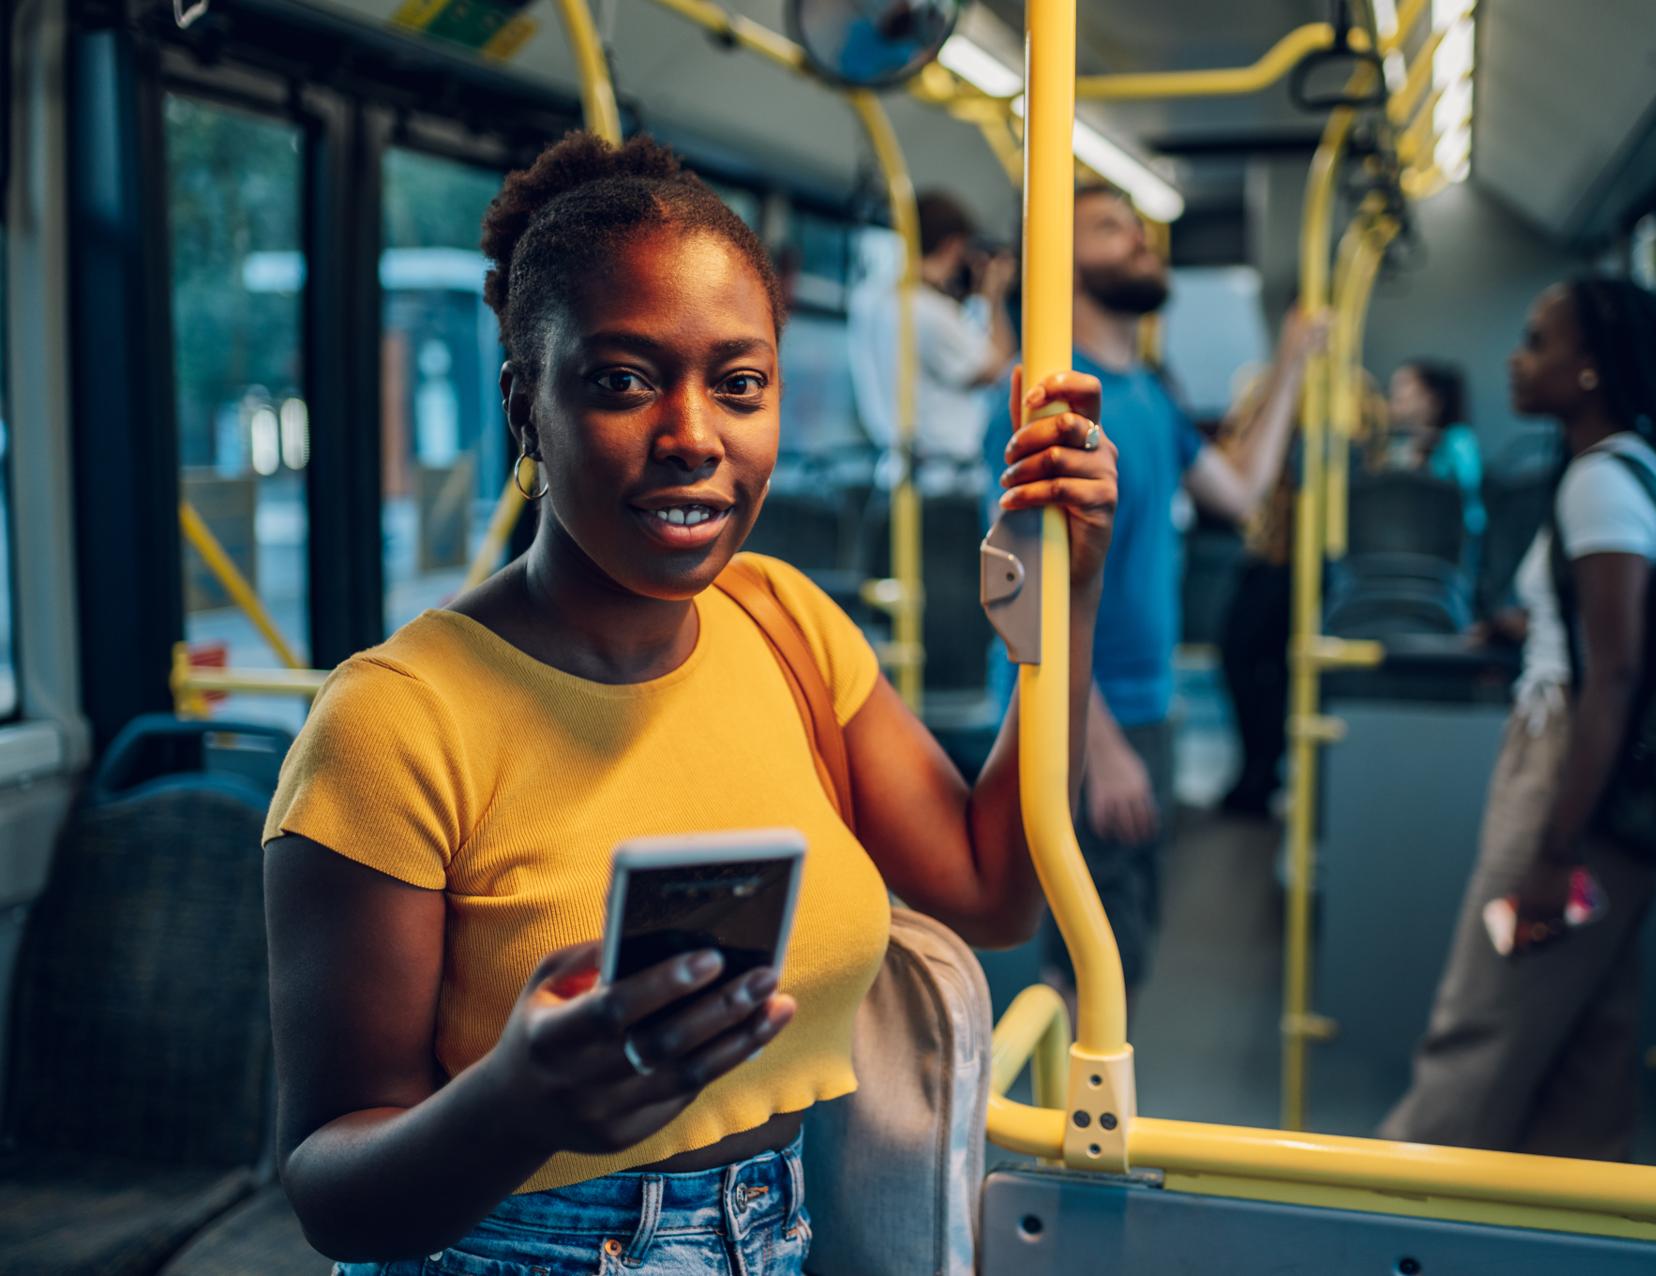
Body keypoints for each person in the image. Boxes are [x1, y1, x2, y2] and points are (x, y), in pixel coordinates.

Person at [265, 131, 1118, 1273]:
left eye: (739, 384)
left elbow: (995, 887)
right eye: (622, 381)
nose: (694, 438)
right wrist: (516, 1104)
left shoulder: (783, 622)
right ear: (524, 400)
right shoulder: (396, 722)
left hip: (779, 1230)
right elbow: (332, 1189)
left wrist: (1066, 598)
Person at [1378, 276, 1656, 1160]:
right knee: (1587, 1056)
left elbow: (1616, 672)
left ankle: (1395, 1219)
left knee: (1480, 1027)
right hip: (1621, 779)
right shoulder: (1639, 468)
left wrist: (1551, 858)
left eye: (1537, 342)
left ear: (1592, 370)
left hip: (1571, 768)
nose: (1516, 361)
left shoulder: (1598, 484)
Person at [980, 185, 1309, 998]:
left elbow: (1239, 491)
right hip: (1075, 715)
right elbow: (1015, 588)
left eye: (1137, 225)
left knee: (1118, 952)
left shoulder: (1148, 394)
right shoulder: (1047, 400)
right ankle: (1051, 1124)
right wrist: (1101, 742)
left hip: (1142, 708)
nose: (1137, 241)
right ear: (1057, 267)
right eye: (1108, 228)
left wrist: (1294, 364)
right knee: (1091, 965)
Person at [1215, 314, 1328, 817]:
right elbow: (1234, 458)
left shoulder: (1349, 393)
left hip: (1316, 553)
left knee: (1284, 669)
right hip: (1268, 550)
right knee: (1240, 657)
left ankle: (1268, 771)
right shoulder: (1262, 386)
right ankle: (1259, 766)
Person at [849, 190, 1014, 492]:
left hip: (894, 470)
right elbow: (999, 370)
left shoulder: (869, 298)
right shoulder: (929, 311)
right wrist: (994, 297)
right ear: (954, 246)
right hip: (947, 478)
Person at [1384, 360, 1485, 551]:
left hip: (1453, 542)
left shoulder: (1459, 440)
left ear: (1432, 399)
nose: (1393, 395)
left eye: (1404, 386)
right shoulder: (1397, 445)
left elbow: (1467, 484)